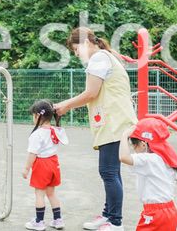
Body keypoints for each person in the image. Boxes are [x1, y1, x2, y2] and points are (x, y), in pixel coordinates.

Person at [54, 27, 137, 231]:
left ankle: (115, 222)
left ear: (85, 43)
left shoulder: (99, 58)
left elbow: (91, 93)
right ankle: (109, 215)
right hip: (115, 121)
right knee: (111, 172)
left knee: (108, 172)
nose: (77, 54)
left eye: (76, 50)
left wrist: (64, 105)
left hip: (114, 122)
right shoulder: (104, 57)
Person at [119, 118, 177, 231]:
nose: (133, 149)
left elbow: (124, 157)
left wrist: (124, 136)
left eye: (133, 145)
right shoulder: (165, 158)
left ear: (143, 144)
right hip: (170, 211)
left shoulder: (148, 159)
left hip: (155, 213)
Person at [23, 100, 67, 230]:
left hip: (42, 165)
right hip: (54, 163)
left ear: (37, 116)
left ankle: (39, 221)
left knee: (39, 194)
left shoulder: (37, 134)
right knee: (51, 193)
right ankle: (58, 220)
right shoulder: (55, 130)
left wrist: (26, 168)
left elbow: (32, 153)